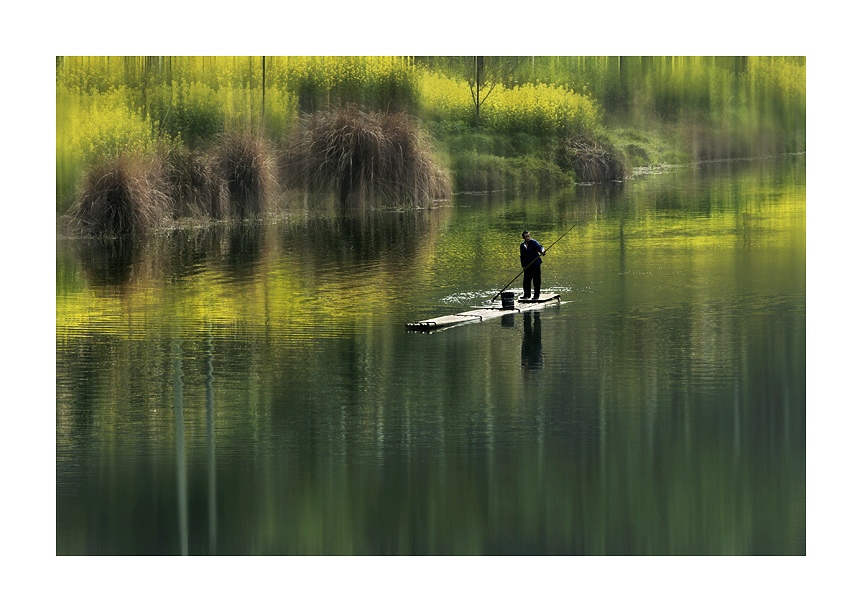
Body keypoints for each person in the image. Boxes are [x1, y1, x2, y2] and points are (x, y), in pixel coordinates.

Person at [520, 230, 546, 299]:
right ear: (523, 238)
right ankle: (527, 295)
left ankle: (536, 296)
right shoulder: (522, 246)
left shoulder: (533, 243)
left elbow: (540, 247)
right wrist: (523, 266)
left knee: (536, 280)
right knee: (526, 281)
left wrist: (542, 251)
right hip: (527, 266)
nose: (528, 238)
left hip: (535, 265)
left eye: (529, 236)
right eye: (526, 237)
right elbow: (522, 257)